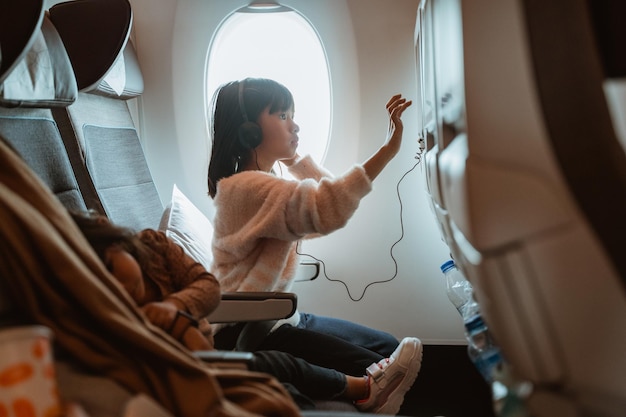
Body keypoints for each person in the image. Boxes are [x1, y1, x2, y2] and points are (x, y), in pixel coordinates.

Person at [71, 211, 422, 415]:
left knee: (279, 370)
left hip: (208, 346)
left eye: (111, 266)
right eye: (101, 278)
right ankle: (364, 390)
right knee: (276, 371)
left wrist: (175, 305)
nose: (115, 285)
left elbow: (207, 287)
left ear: (118, 243)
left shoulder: (154, 246)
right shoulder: (103, 303)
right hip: (188, 361)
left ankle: (365, 392)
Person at [207, 77, 421, 374]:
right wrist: (388, 149)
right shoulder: (247, 188)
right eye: (283, 116)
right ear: (249, 131)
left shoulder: (265, 184)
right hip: (250, 330)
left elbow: (329, 197)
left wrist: (292, 157)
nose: (295, 126)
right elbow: (329, 206)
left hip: (277, 319)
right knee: (377, 366)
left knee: (388, 347)